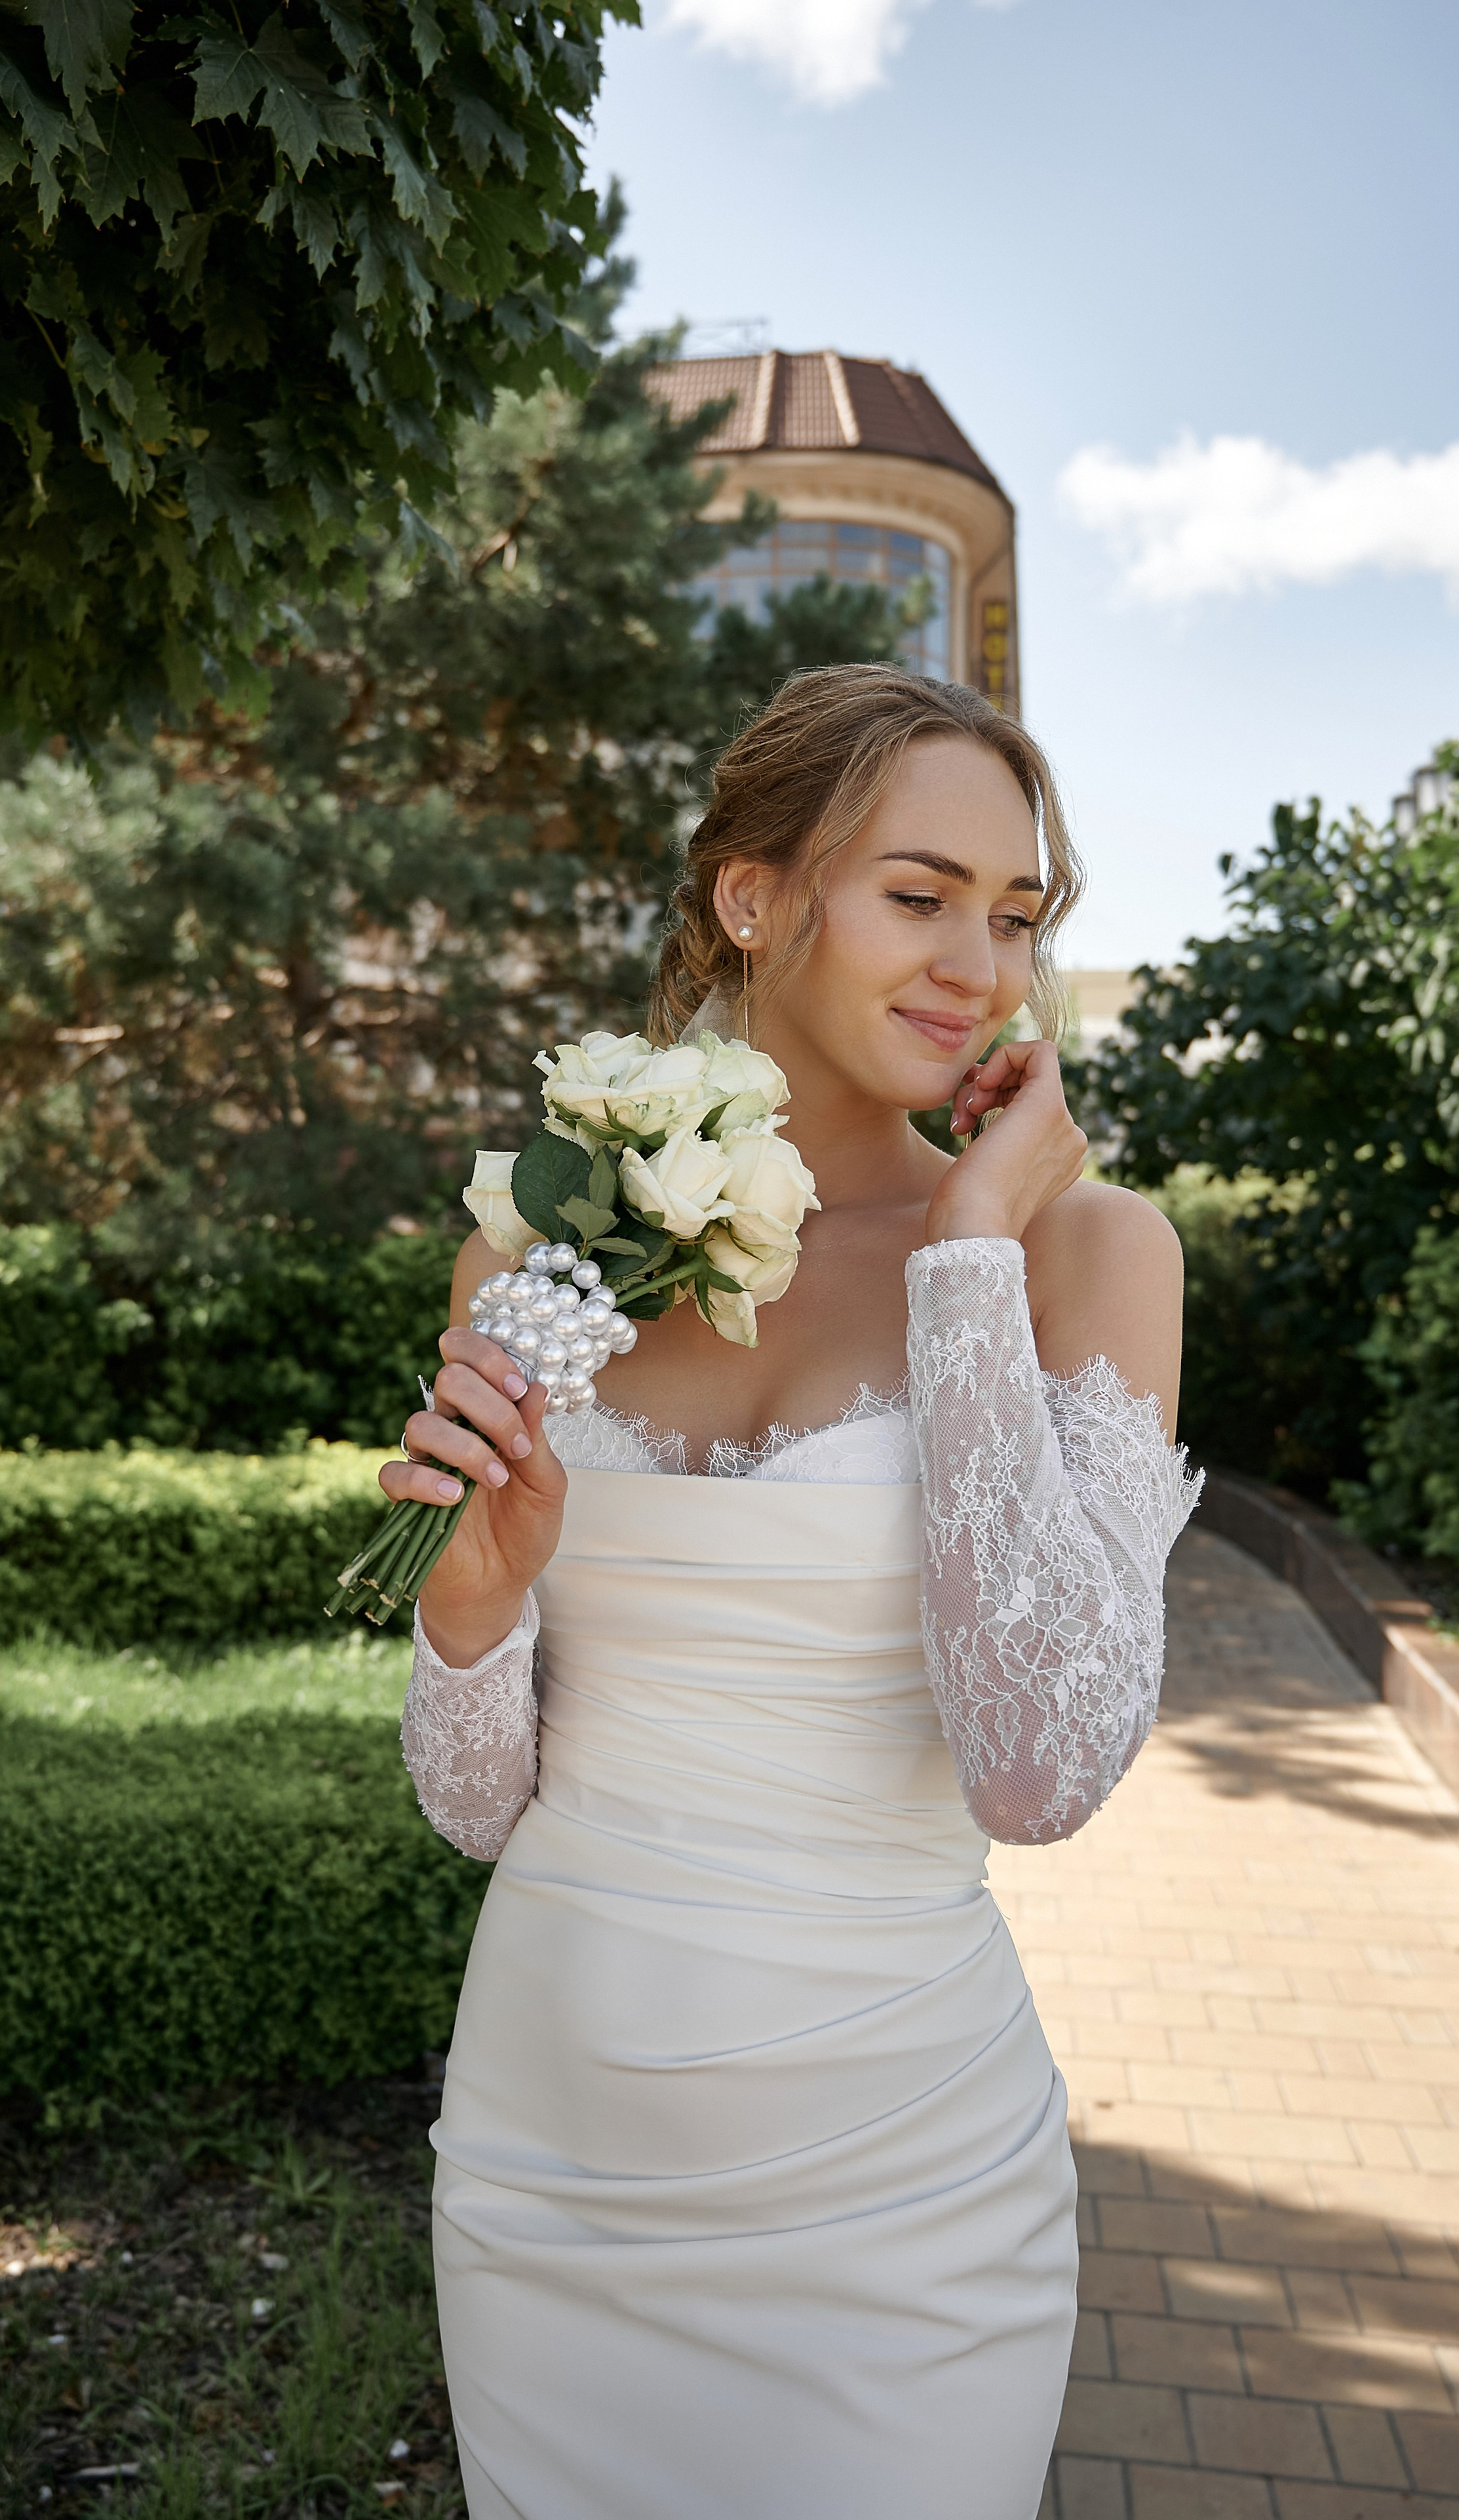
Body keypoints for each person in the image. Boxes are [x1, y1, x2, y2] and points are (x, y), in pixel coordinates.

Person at [380, 665, 1199, 2519]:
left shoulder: (1087, 1250)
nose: (980, 966)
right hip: (551, 2175)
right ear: (752, 897)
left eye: (1015, 915)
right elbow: (474, 1802)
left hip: (901, 2198)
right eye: (920, 897)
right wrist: (479, 1604)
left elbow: (1040, 1766)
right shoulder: (546, 1248)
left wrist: (970, 1257)